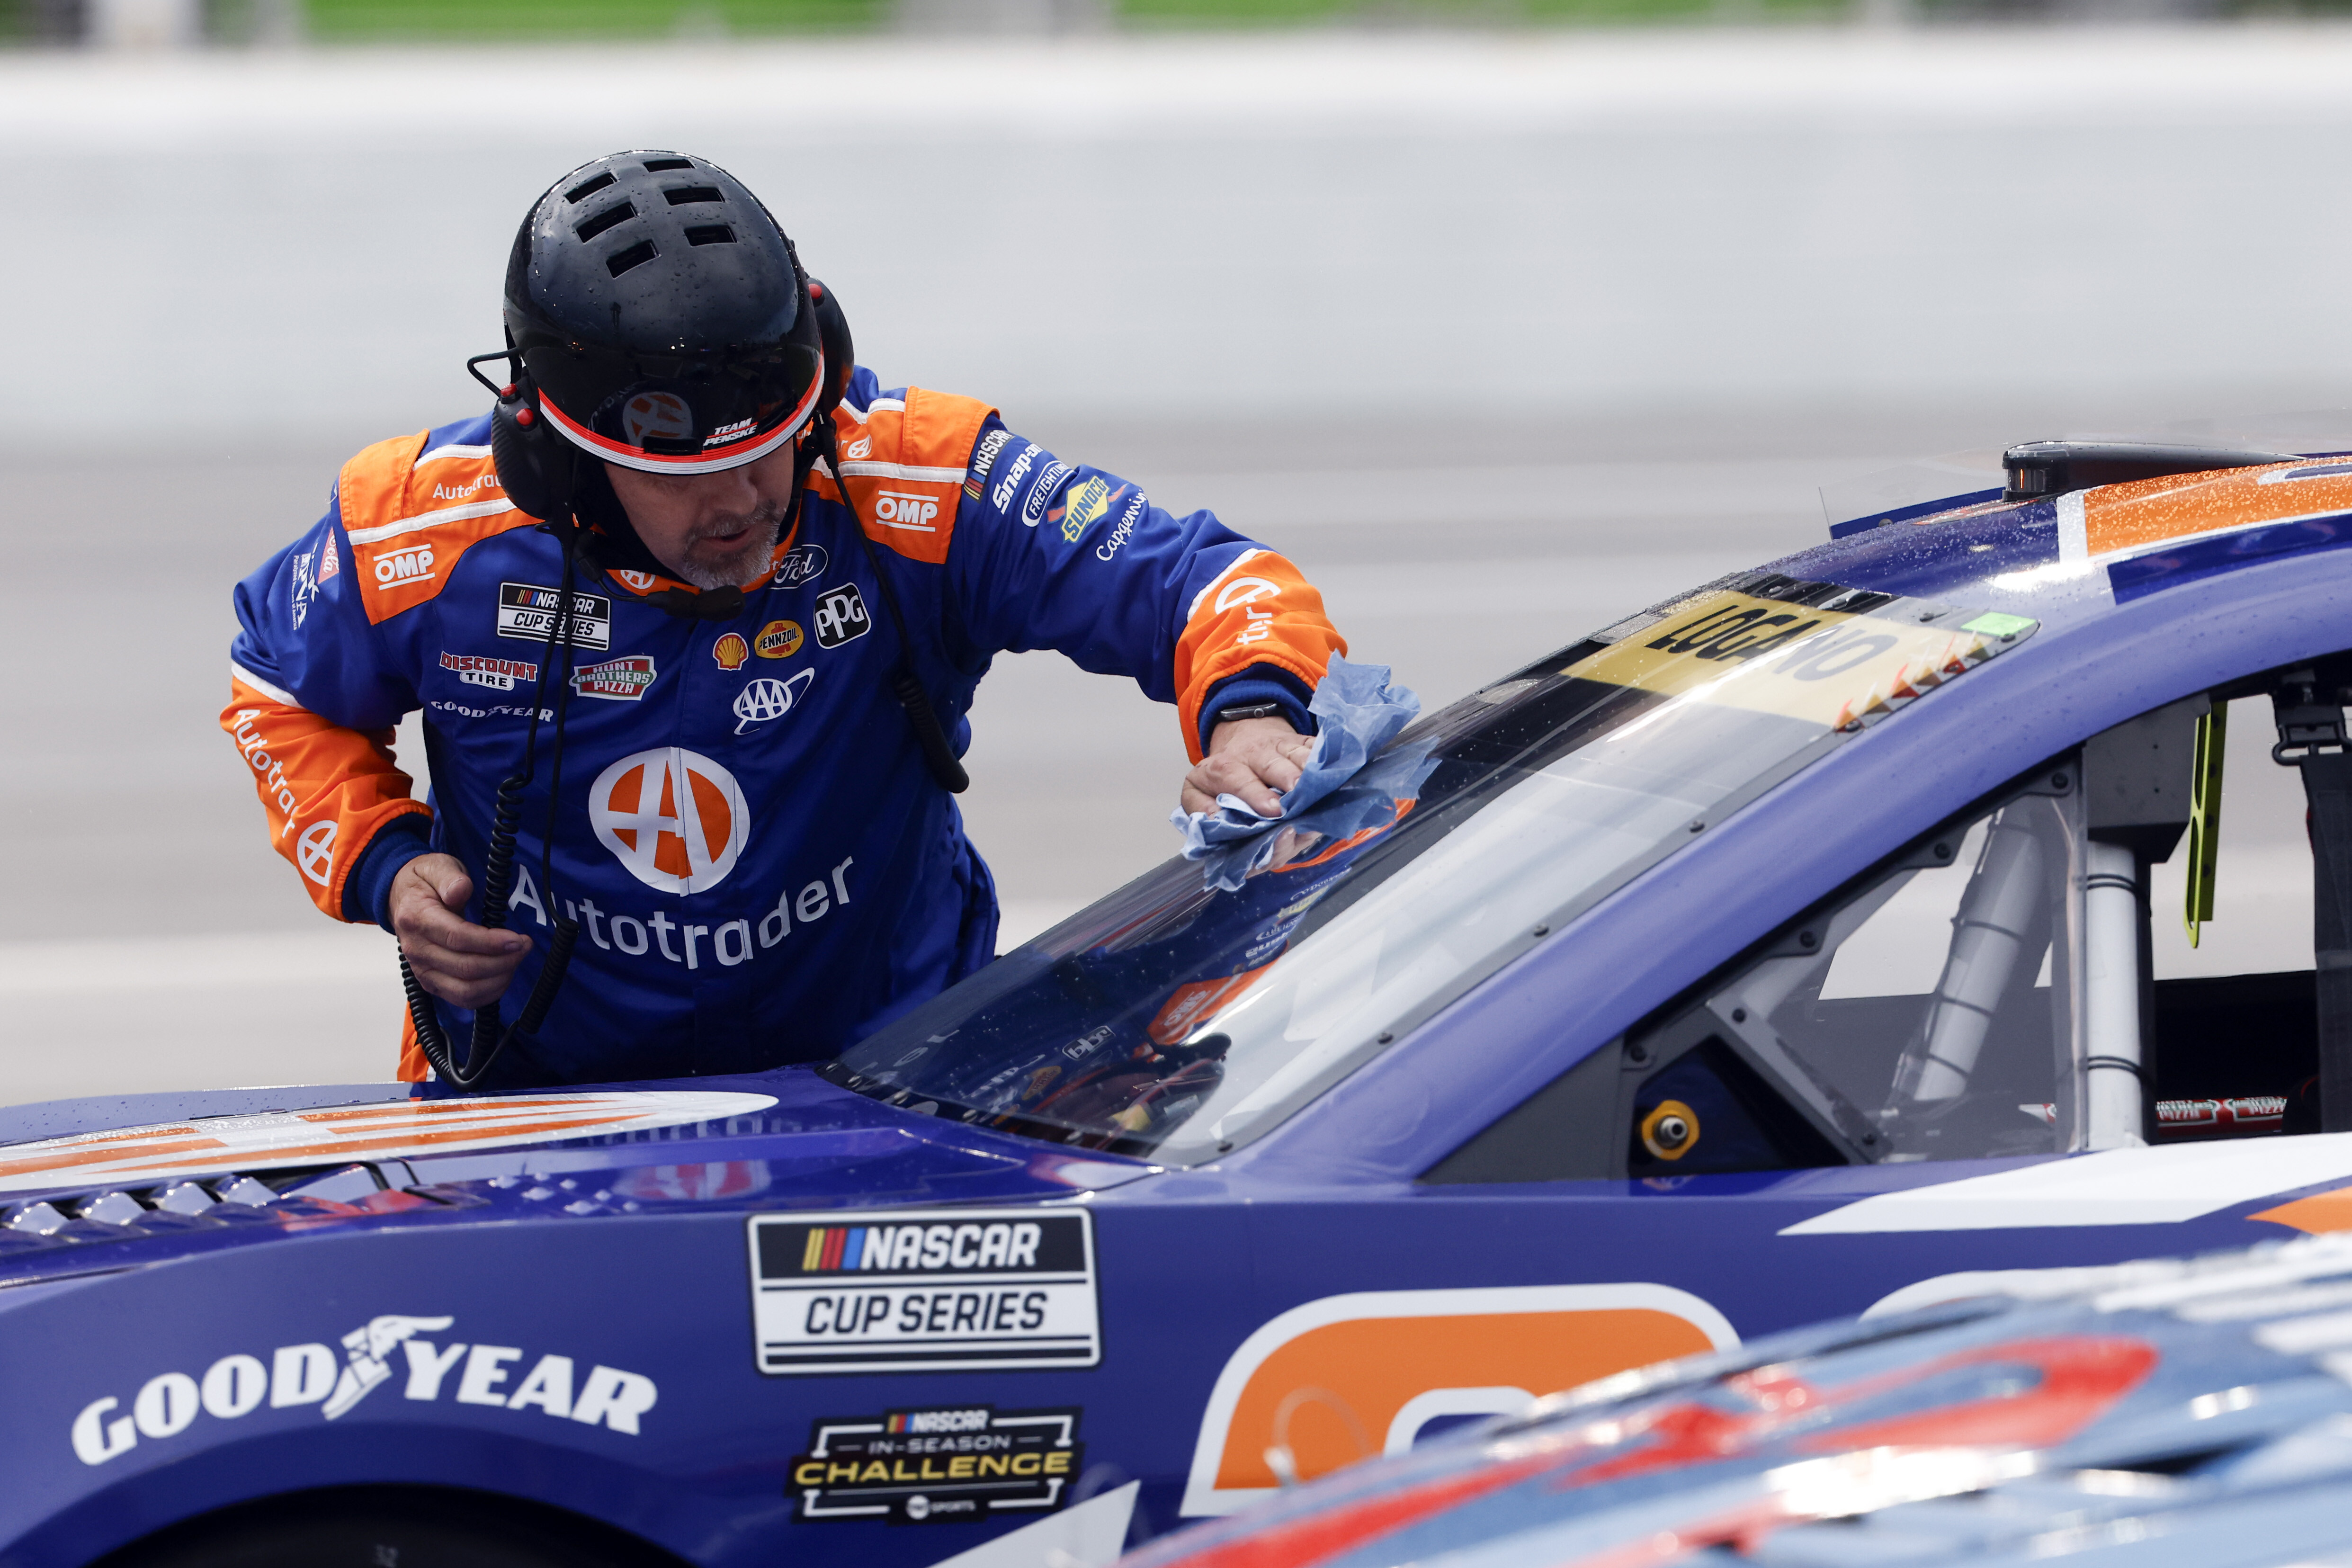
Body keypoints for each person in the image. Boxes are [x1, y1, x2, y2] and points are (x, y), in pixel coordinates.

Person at [221, 149, 1348, 1088]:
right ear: (551, 450)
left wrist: (1250, 713)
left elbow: (1208, 579)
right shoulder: (408, 530)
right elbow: (277, 690)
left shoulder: (917, 475)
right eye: (679, 477)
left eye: (769, 447)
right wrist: (386, 867)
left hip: (897, 1086)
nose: (740, 502)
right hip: (537, 1109)